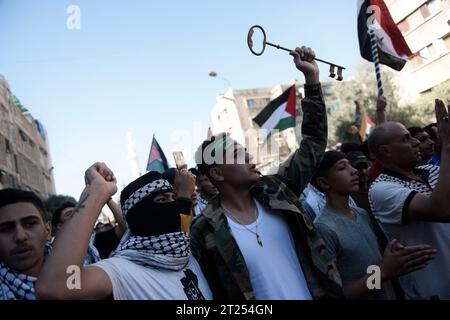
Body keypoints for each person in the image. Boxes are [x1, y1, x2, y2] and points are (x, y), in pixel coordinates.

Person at [190, 46, 343, 300]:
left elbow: (313, 143)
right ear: (217, 173)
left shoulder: (278, 191)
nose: (249, 157)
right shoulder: (204, 230)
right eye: (237, 154)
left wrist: (312, 80)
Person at [36, 163, 212, 300]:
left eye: (173, 197)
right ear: (141, 215)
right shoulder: (121, 272)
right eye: (162, 199)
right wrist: (96, 193)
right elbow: (57, 285)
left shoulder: (187, 252)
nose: (173, 204)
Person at [312, 151, 436, 300]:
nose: (354, 171)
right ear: (324, 182)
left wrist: (392, 257)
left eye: (350, 166)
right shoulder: (324, 227)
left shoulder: (360, 213)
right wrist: (384, 272)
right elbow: (340, 294)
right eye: (342, 168)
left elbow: (372, 267)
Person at [368, 99, 450, 299]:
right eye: (406, 139)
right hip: (434, 292)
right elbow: (441, 209)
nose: (415, 142)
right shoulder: (381, 189)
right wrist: (447, 144)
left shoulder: (429, 170)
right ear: (386, 151)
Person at [0, 189, 51, 300]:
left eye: (30, 224)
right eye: (6, 229)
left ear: (47, 230)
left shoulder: (81, 274)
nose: (20, 236)